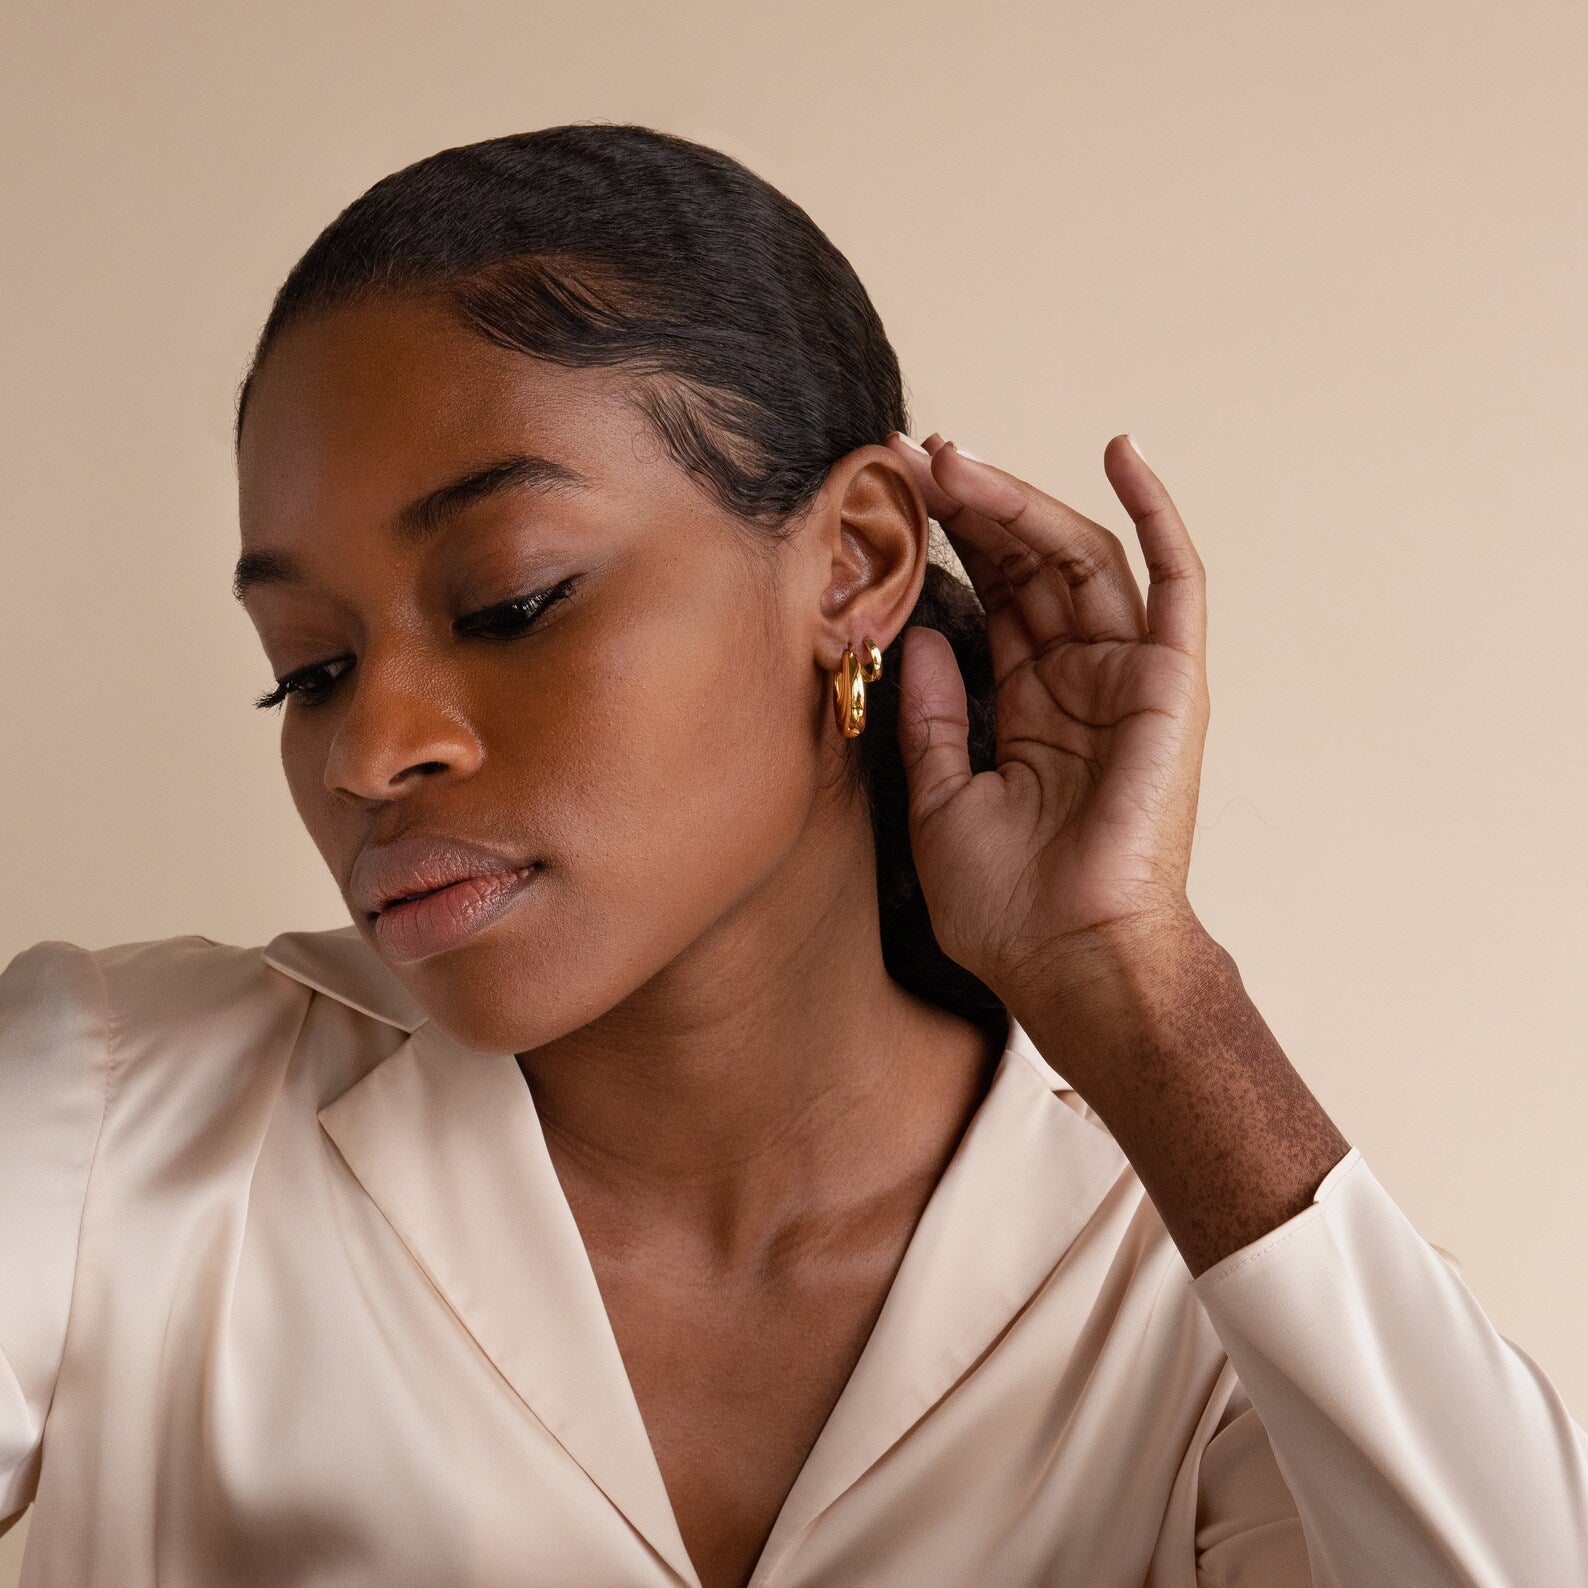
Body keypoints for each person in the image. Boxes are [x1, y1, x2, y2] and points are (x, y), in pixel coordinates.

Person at [1, 122, 1584, 1588]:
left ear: (857, 561)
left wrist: (1146, 986)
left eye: (510, 602)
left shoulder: (1197, 1293)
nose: (368, 748)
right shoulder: (109, 1127)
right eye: (309, 669)